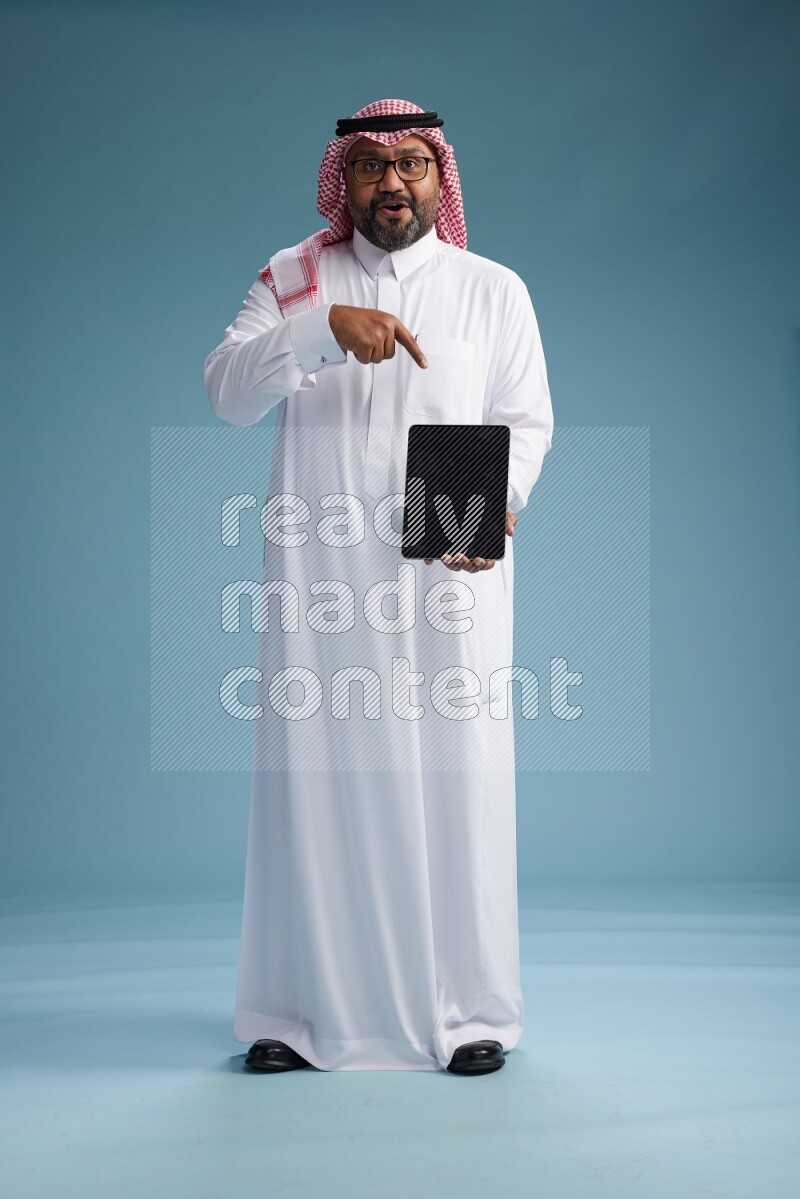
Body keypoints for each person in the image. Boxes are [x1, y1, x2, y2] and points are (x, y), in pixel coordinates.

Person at [203, 98, 554, 1075]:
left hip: (443, 567)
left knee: (457, 779)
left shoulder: (491, 289)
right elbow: (226, 393)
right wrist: (317, 331)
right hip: (318, 577)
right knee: (315, 781)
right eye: (368, 165)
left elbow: (521, 418)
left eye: (410, 163)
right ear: (343, 181)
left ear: (439, 177)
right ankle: (297, 1012)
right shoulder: (293, 278)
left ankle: (468, 1011)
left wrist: (488, 505)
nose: (390, 182)